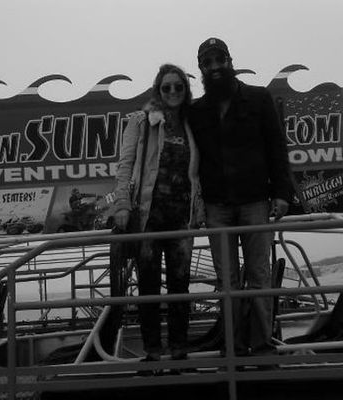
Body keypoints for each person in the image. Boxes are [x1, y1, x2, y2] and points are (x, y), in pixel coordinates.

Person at [188, 37, 293, 356]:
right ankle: (232, 350)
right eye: (207, 62)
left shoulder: (259, 98)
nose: (215, 67)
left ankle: (262, 348)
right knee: (227, 282)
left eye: (219, 59)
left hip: (256, 201)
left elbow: (277, 147)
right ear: (201, 68)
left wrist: (282, 194)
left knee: (259, 276)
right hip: (216, 206)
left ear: (230, 61)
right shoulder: (196, 111)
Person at [113, 64, 204, 363]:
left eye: (179, 86)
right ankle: (152, 353)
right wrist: (122, 204)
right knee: (148, 288)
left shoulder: (193, 122)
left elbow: (200, 171)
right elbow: (125, 164)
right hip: (148, 216)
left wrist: (201, 208)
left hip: (182, 218)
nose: (173, 91)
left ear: (186, 89)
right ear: (158, 90)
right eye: (167, 87)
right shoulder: (141, 121)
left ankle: (179, 353)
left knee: (180, 286)